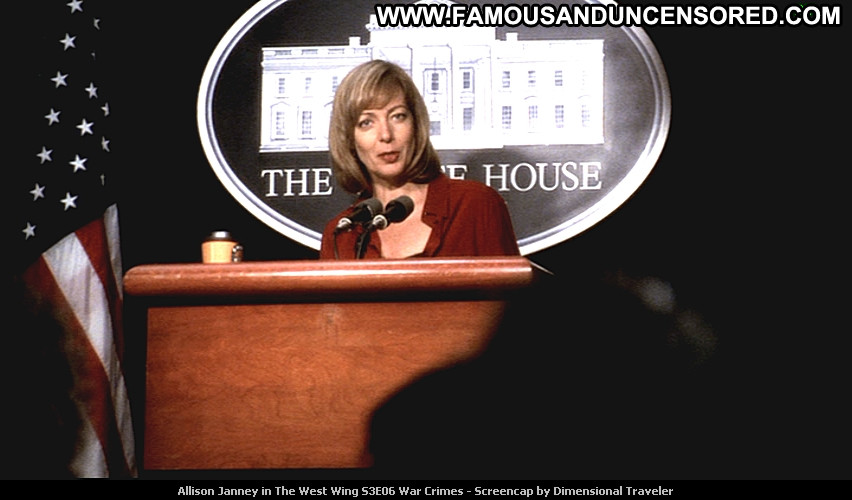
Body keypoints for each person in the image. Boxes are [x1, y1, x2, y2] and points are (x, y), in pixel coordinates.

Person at [320, 60, 520, 259]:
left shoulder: (476, 205)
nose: (386, 135)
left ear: (416, 125)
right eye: (366, 122)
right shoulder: (341, 235)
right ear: (349, 139)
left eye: (398, 116)